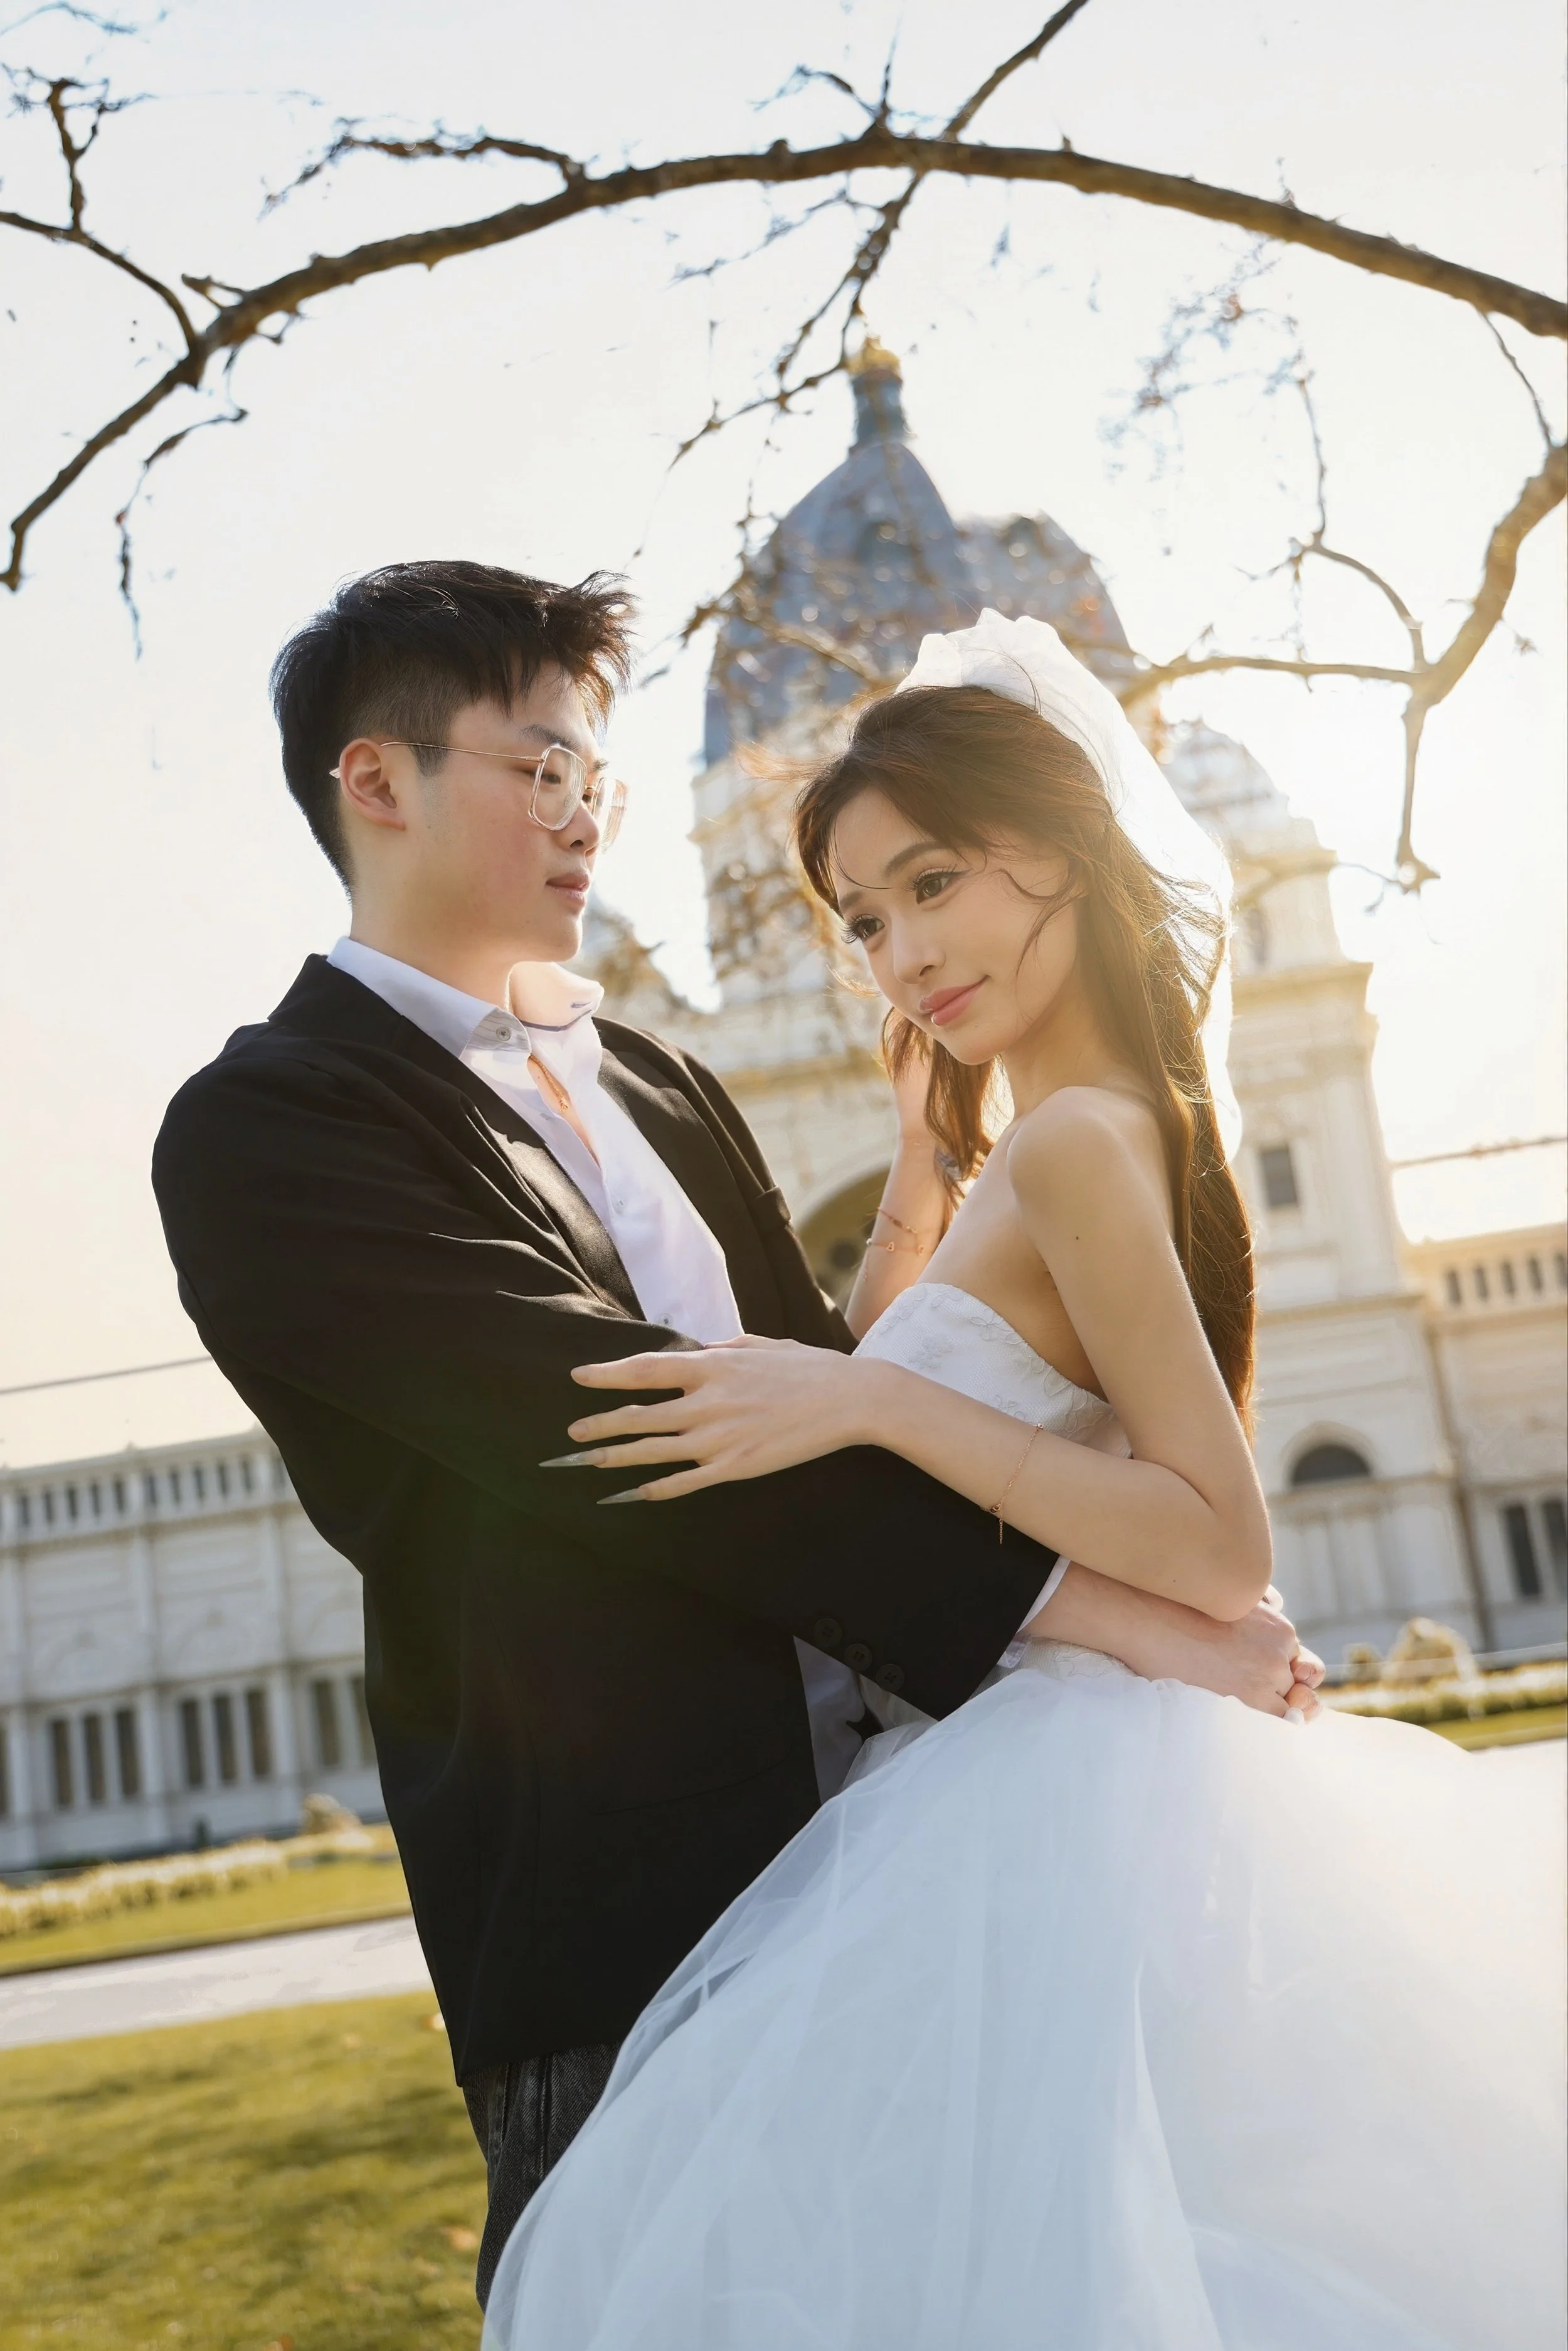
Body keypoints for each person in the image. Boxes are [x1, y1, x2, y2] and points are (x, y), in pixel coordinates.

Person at [149, 565, 1322, 2308]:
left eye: (597, 782)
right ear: (375, 783)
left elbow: (825, 1395)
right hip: (627, 1904)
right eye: (540, 768)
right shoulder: (268, 1128)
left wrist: (921, 1203)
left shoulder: (662, 1085)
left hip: (905, 1848)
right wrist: (1103, 1602)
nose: (585, 820)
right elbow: (640, 1444)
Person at [480, 613, 1565, 2350]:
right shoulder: (1058, 1130)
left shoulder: (1073, 1141)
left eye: (934, 884)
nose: (900, 952)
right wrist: (915, 1166)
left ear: (1055, 850)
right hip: (1015, 1773)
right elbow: (914, 1374)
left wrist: (864, 1402)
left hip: (1035, 1801)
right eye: (861, 917)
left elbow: (1218, 1539)